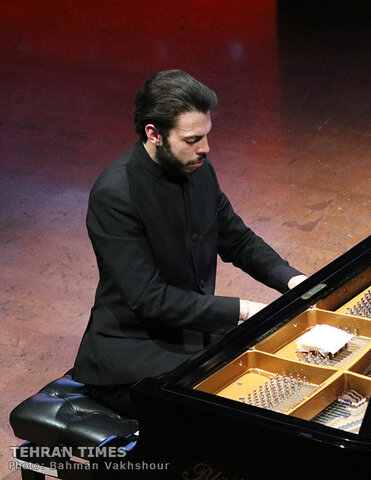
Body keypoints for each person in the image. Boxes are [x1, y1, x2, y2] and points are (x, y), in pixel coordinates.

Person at [73, 70, 307, 418]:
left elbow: (237, 239)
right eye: (192, 139)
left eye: (207, 136)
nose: (205, 149)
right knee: (230, 416)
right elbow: (148, 299)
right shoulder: (115, 195)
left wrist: (293, 281)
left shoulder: (200, 170)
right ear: (154, 134)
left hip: (194, 335)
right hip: (134, 357)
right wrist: (243, 310)